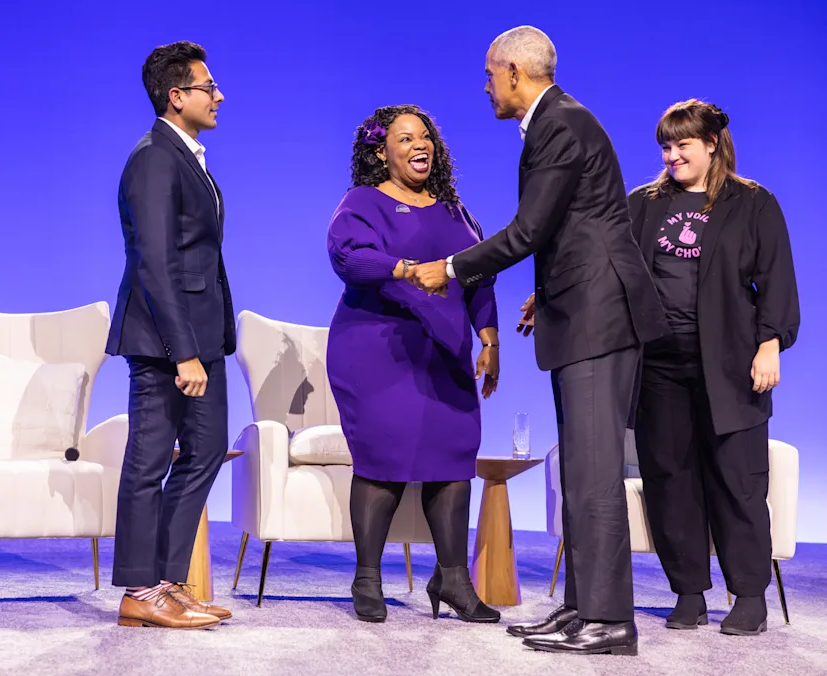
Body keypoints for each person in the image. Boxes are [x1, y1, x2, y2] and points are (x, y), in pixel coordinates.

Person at [408, 26, 669, 655]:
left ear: (517, 73)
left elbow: (528, 230)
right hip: (580, 309)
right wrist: (546, 293)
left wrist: (449, 268)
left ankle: (609, 620)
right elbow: (571, 228)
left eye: (491, 75)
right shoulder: (557, 122)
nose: (487, 86)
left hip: (600, 318)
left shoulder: (560, 124)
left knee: (595, 474)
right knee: (579, 470)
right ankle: (582, 609)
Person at [628, 100, 800, 636]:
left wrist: (769, 344)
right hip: (659, 363)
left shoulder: (752, 203)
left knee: (737, 480)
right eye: (666, 145)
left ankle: (749, 594)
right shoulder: (644, 204)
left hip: (730, 365)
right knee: (669, 478)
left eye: (683, 144)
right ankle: (688, 592)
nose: (672, 154)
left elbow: (776, 278)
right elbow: (607, 264)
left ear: (711, 145)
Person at [326, 105, 502, 624]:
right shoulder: (364, 202)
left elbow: (479, 273)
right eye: (405, 139)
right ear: (381, 152)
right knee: (383, 457)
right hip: (378, 351)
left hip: (444, 352)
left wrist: (488, 339)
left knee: (453, 457)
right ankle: (367, 578)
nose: (419, 145)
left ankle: (452, 578)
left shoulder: (453, 209)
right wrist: (404, 269)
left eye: (424, 137)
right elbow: (347, 258)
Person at [105, 41, 236, 630]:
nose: (220, 96)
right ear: (176, 96)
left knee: (206, 451)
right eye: (210, 87)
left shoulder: (188, 156)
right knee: (150, 459)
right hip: (165, 341)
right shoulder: (154, 157)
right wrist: (182, 350)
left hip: (201, 339)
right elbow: (155, 261)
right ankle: (138, 588)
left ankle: (167, 581)